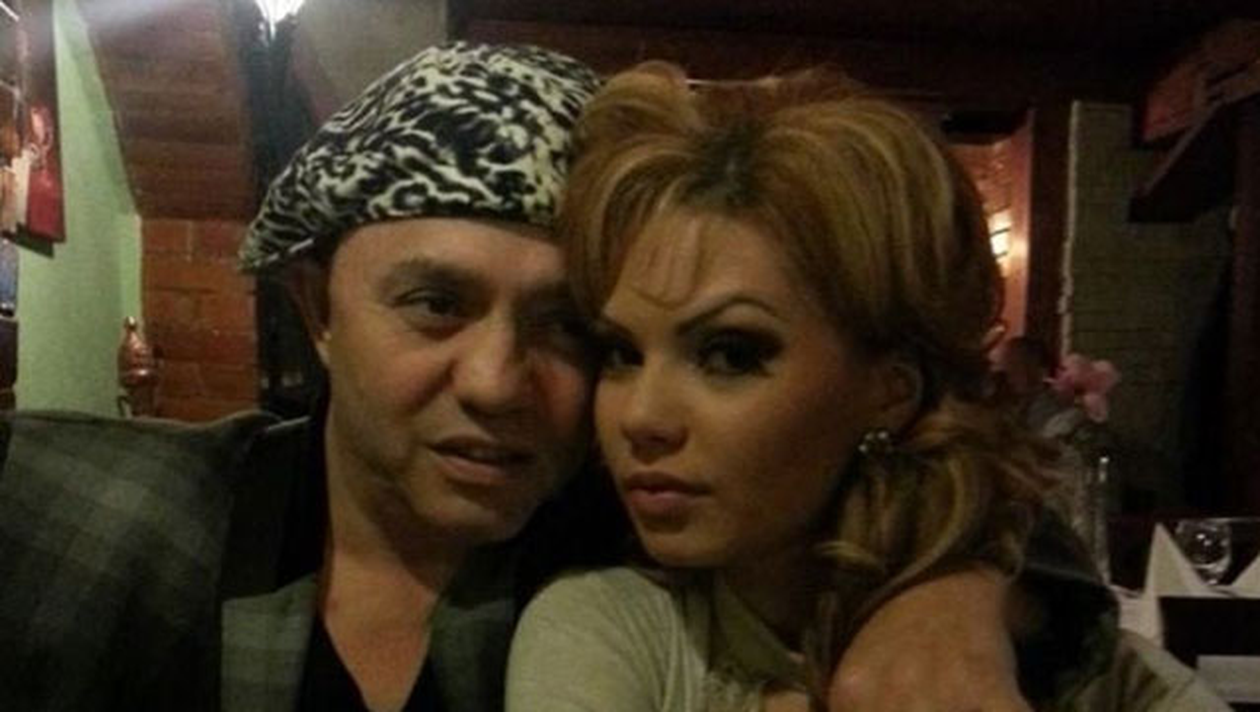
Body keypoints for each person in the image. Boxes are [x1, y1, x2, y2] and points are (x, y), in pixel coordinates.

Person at [0, 42, 1111, 712]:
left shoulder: (633, 530)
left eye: (572, 328)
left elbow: (957, 495)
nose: (497, 382)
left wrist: (948, 596)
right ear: (317, 310)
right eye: (436, 304)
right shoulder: (119, 512)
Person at [505, 63, 1228, 711]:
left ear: (891, 390)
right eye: (622, 353)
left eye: (729, 354)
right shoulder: (608, 632)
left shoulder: (1082, 661)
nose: (641, 416)